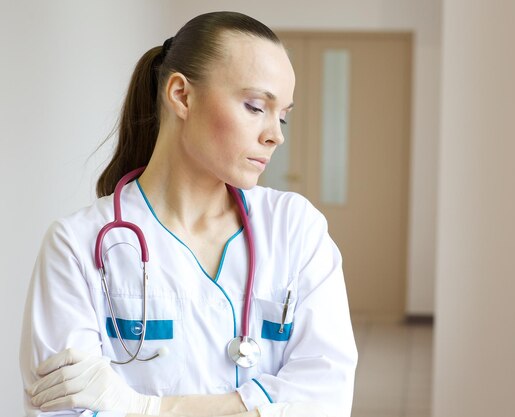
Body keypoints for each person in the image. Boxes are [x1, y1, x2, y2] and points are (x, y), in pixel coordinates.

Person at [20, 11, 358, 417]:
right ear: (181, 95)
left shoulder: (295, 229)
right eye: (255, 107)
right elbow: (60, 409)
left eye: (282, 114)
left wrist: (143, 408)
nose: (276, 134)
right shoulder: (78, 247)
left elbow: (324, 400)